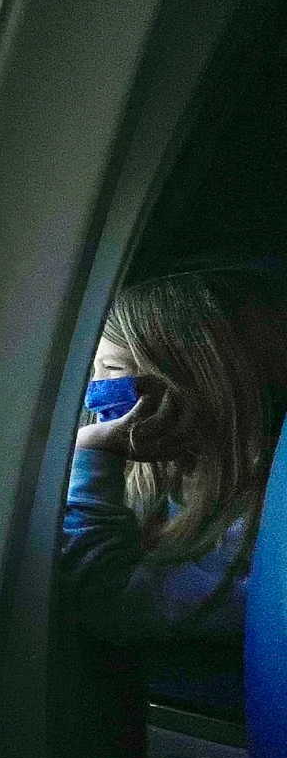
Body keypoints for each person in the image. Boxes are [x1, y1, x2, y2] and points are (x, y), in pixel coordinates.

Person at [62, 265, 287, 714]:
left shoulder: (258, 529)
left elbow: (112, 604)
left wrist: (93, 452)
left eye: (112, 371)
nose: (93, 391)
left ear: (191, 387)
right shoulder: (158, 476)